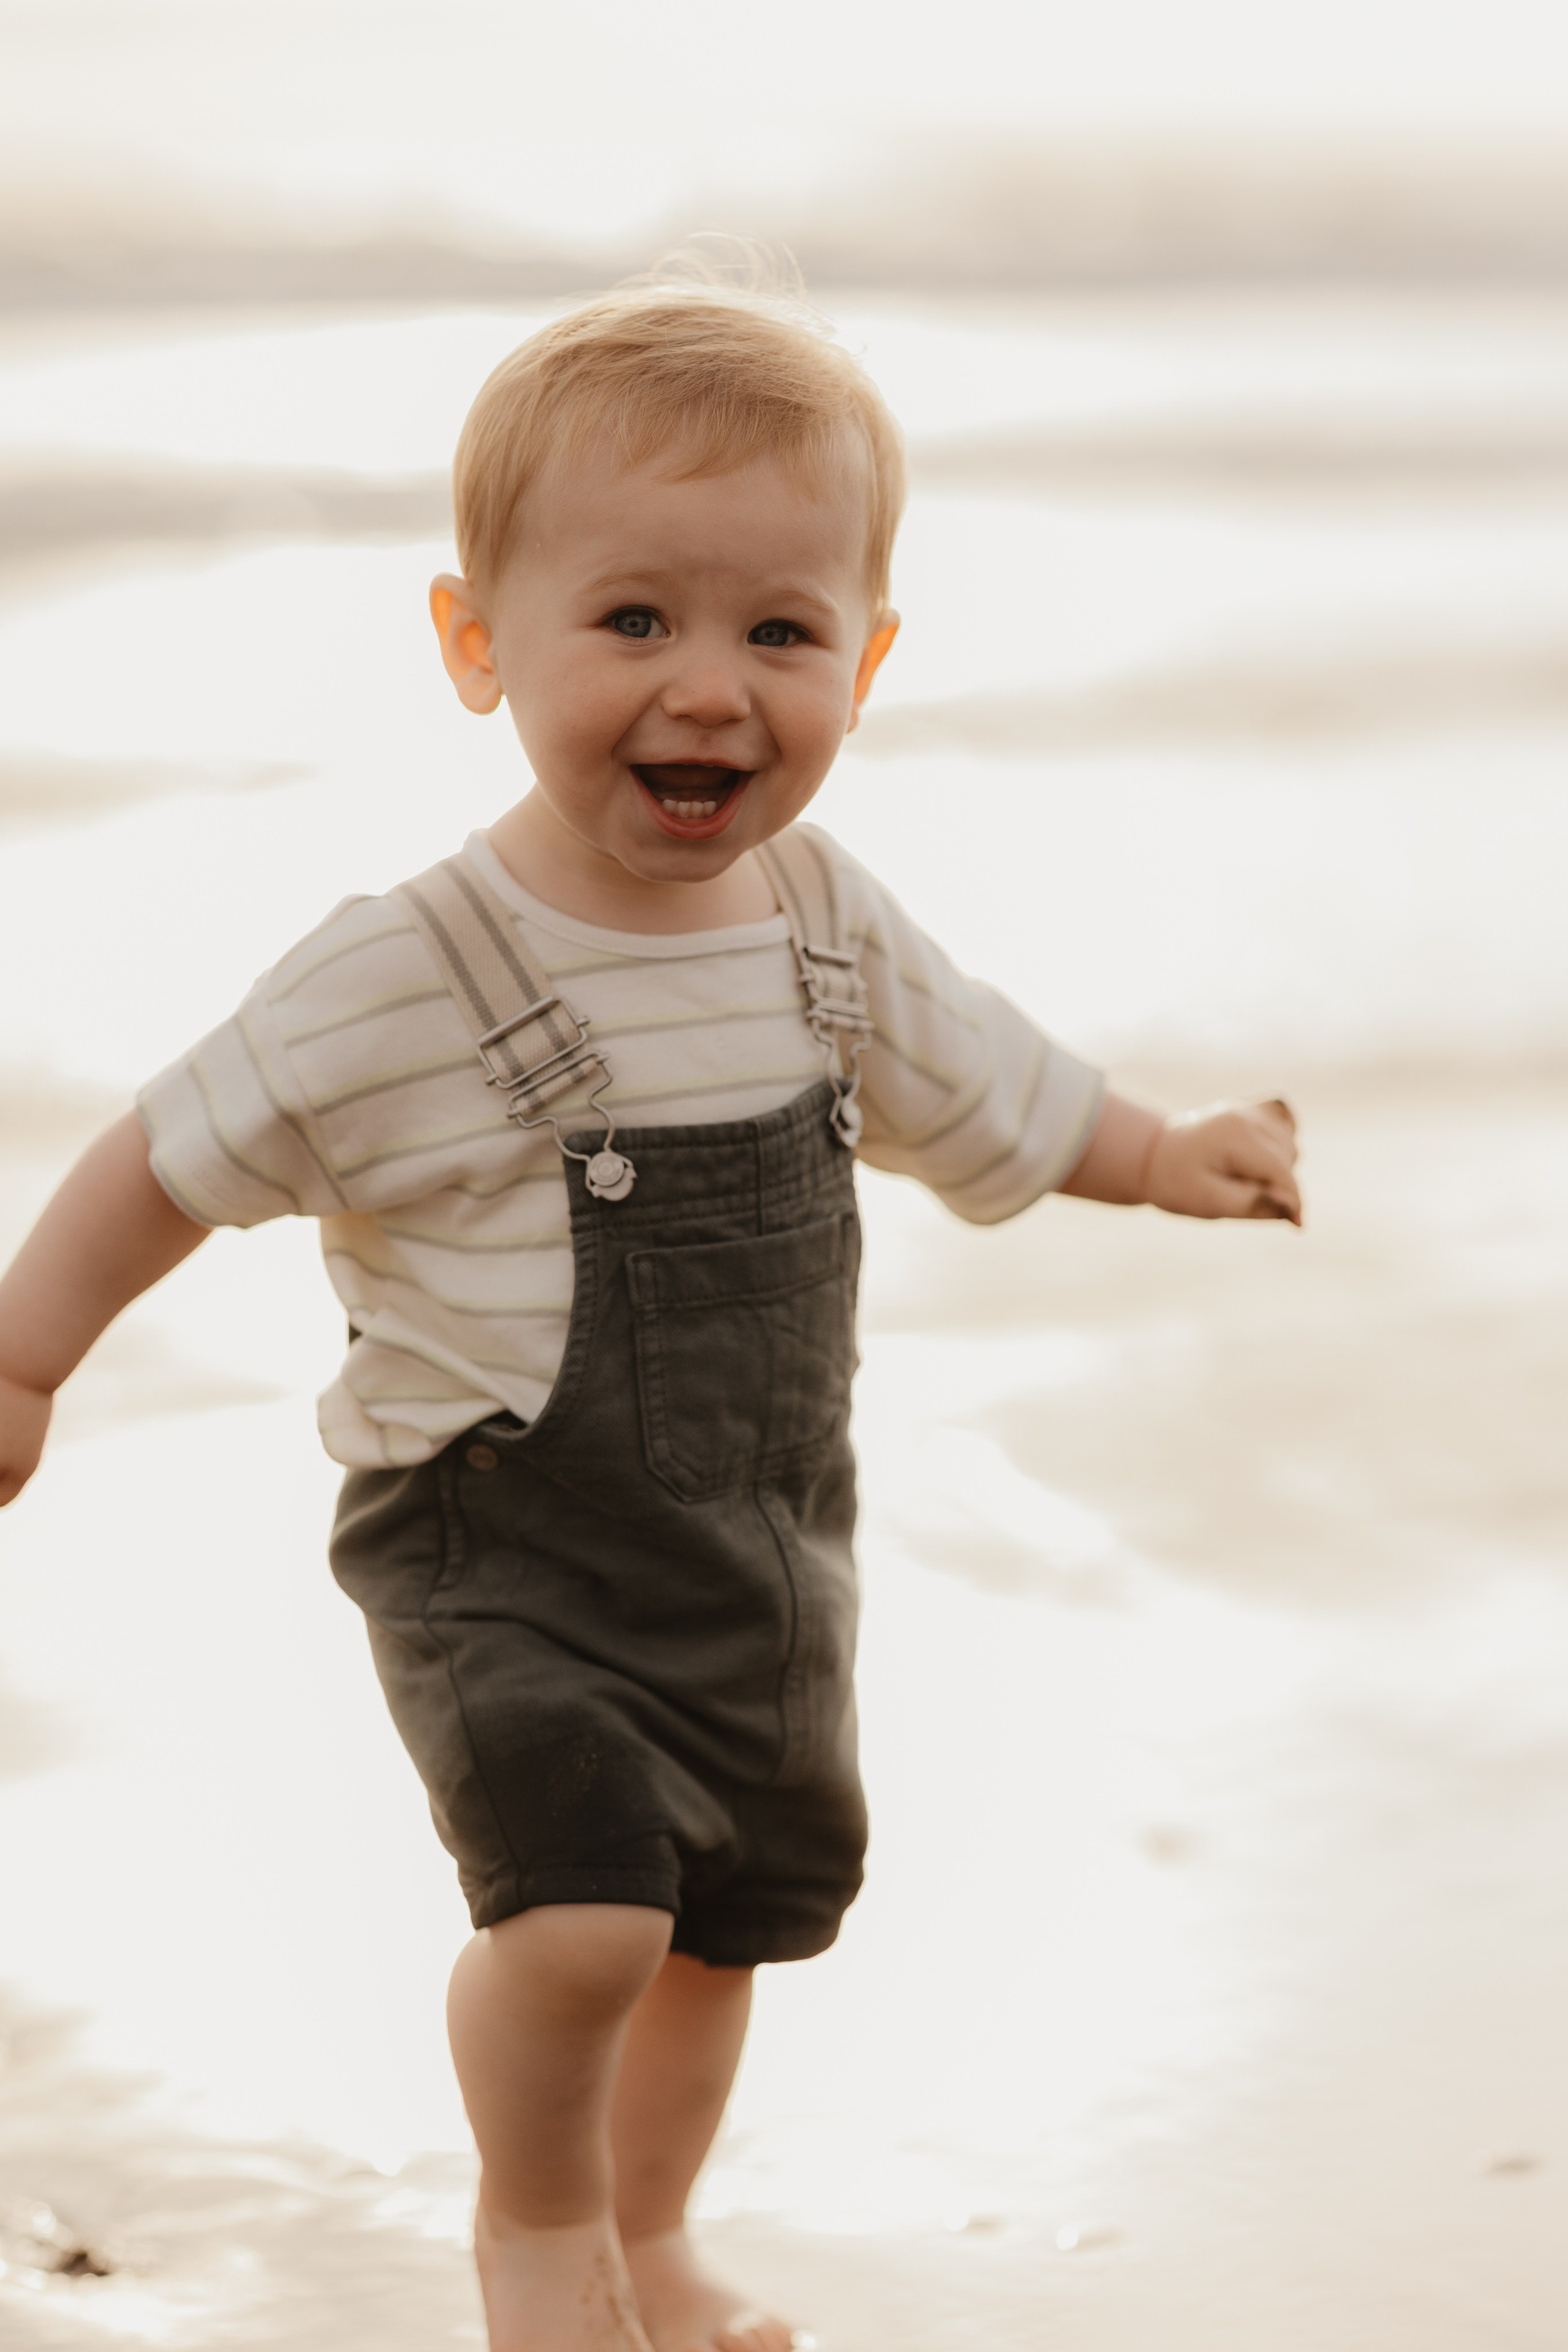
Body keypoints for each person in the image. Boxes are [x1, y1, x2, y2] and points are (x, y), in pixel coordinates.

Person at [0, 274, 1301, 2352]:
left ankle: (657, 2232)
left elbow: (988, 1078)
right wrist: (26, 1347)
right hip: (496, 1535)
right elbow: (174, 1150)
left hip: (761, 1546)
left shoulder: (820, 919)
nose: (710, 687)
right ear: (473, 644)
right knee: (589, 1911)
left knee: (724, 1931)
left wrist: (1161, 1151)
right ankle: (537, 2243)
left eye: (778, 632)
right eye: (633, 622)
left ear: (864, 663)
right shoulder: (406, 967)